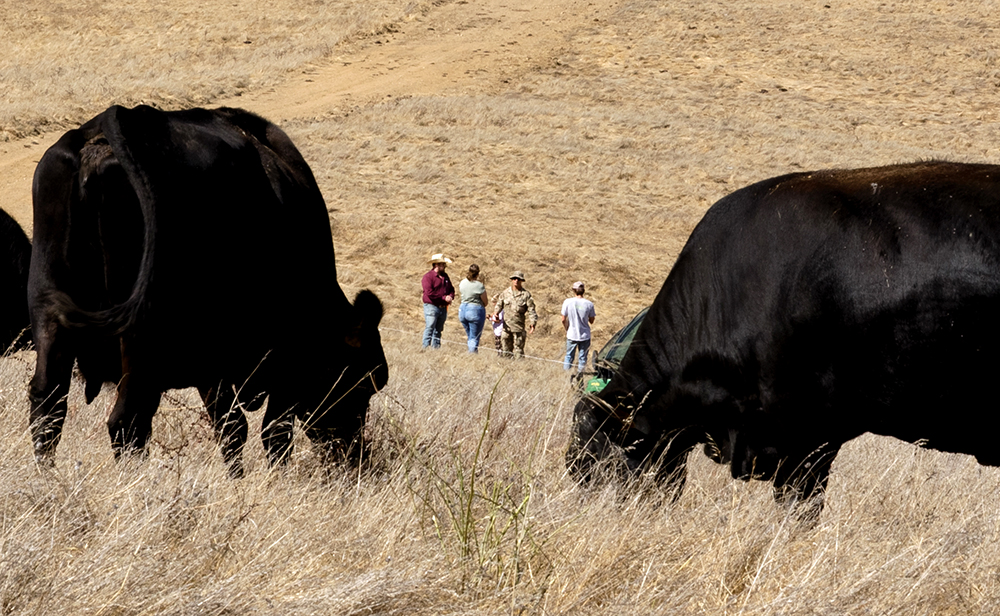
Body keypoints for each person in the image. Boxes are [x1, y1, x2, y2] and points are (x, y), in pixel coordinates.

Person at [491, 271, 537, 359]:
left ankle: (518, 369)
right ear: (511, 280)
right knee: (505, 351)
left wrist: (533, 323)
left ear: (522, 281)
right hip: (506, 327)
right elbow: (499, 305)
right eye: (514, 279)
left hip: (518, 328)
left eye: (518, 279)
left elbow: (532, 310)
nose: (516, 281)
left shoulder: (526, 295)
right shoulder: (505, 293)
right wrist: (496, 313)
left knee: (518, 352)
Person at [561, 281, 596, 373]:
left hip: (571, 334)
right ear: (583, 291)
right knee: (582, 358)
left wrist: (567, 329)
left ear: (573, 290)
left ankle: (566, 376)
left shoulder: (567, 302)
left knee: (569, 356)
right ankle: (580, 376)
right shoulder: (589, 304)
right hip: (585, 335)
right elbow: (592, 321)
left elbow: (563, 318)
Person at [421, 253, 455, 349]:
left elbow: (451, 289)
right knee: (430, 327)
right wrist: (444, 297)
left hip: (443, 307)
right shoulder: (428, 277)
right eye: (442, 264)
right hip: (431, 306)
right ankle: (425, 347)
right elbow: (429, 293)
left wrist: (451, 296)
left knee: (438, 329)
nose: (444, 266)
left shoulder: (446, 276)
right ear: (436, 264)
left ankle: (436, 348)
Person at [458, 264, 489, 353]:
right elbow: (485, 302)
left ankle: (472, 352)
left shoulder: (462, 282)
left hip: (462, 309)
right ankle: (471, 357)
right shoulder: (479, 286)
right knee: (474, 337)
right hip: (474, 310)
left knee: (470, 336)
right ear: (478, 273)